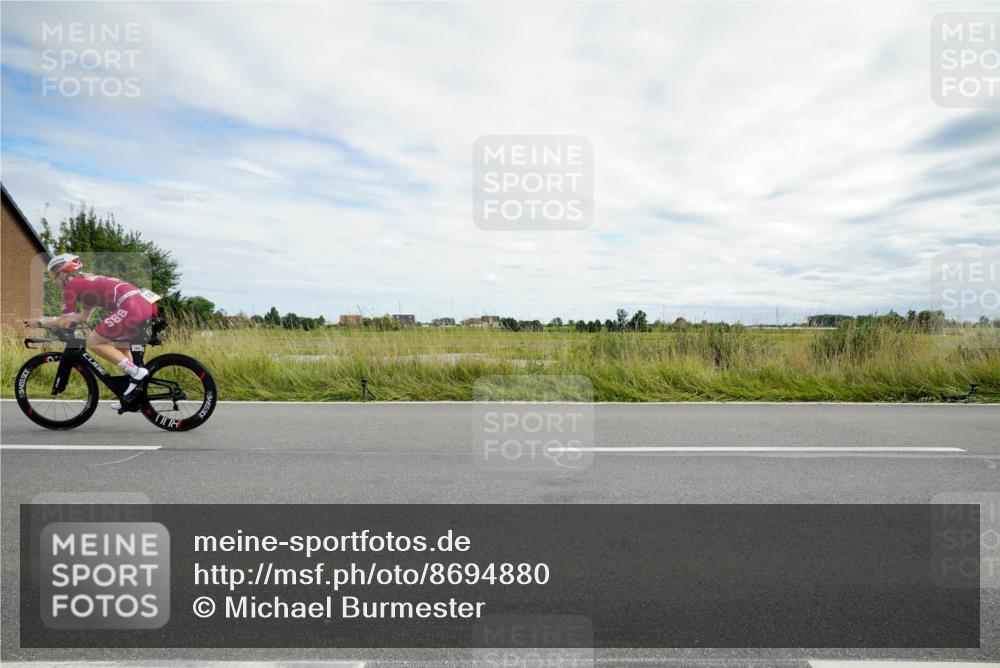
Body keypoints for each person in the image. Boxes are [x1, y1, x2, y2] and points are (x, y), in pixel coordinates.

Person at [23, 253, 160, 410]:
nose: (53, 279)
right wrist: (49, 319)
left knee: (94, 342)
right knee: (121, 346)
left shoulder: (71, 286)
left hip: (131, 305)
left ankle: (136, 373)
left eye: (53, 274)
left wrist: (40, 322)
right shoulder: (86, 283)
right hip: (145, 302)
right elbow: (82, 317)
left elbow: (65, 322)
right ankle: (132, 392)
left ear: (62, 271)